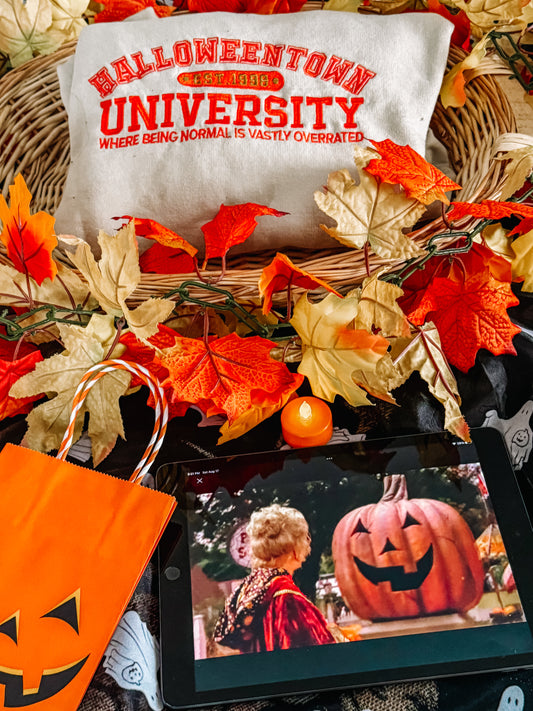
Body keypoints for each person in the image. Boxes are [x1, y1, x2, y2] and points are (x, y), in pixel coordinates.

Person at [214, 504, 336, 654]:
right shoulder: (288, 598)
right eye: (304, 538)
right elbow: (319, 655)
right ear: (294, 549)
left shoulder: (248, 589)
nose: (307, 543)